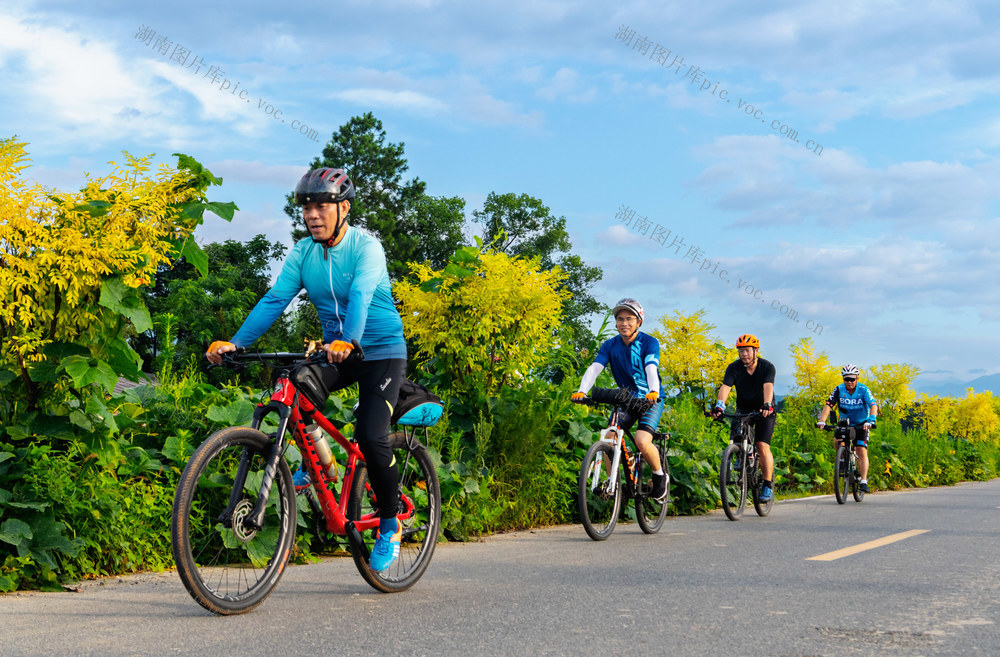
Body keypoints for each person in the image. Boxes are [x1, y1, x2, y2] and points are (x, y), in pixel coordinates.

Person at [205, 168, 407, 572]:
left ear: (343, 208)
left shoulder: (367, 248)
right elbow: (276, 298)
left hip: (380, 353)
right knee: (295, 384)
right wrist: (236, 342)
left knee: (371, 435)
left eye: (322, 206)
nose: (313, 215)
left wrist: (348, 339)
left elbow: (363, 295)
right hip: (336, 351)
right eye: (307, 208)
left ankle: (389, 523)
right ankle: (320, 463)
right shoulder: (303, 253)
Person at [571, 298, 669, 501]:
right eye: (620, 319)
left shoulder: (649, 342)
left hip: (650, 399)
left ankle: (660, 477)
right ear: (616, 322)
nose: (624, 323)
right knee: (610, 437)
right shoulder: (610, 345)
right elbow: (595, 368)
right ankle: (612, 482)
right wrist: (582, 391)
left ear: (639, 321)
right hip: (626, 399)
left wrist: (653, 391)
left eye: (629, 319)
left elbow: (651, 367)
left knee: (642, 441)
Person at [711, 334, 777, 501]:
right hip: (744, 409)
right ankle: (741, 455)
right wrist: (720, 405)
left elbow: (768, 387)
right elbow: (726, 387)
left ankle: (767, 484)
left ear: (755, 351)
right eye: (741, 351)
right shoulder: (734, 368)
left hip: (764, 410)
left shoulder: (767, 367)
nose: (744, 354)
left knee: (762, 445)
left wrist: (767, 404)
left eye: (747, 350)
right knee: (737, 436)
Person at [816, 364, 878, 493]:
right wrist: (822, 421)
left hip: (862, 423)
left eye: (852, 379)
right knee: (837, 441)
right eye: (846, 379)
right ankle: (843, 460)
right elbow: (829, 405)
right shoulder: (839, 389)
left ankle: (863, 481)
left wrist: (871, 420)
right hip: (845, 422)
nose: (849, 382)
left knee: (861, 449)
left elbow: (873, 405)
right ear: (843, 379)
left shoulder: (863, 389)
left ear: (857, 378)